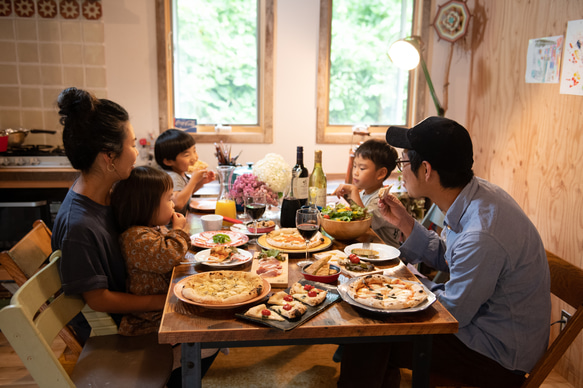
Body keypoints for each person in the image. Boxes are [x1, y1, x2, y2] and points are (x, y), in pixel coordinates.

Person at [337, 117, 551, 388]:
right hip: (478, 327)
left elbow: (451, 315)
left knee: (372, 331)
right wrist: (406, 223)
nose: (400, 172)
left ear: (426, 170)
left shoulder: (482, 233)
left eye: (403, 163)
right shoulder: (472, 194)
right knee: (373, 320)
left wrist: (398, 288)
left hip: (496, 355)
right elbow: (451, 258)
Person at [51, 87, 165, 342]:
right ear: (109, 157)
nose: (136, 153)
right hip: (118, 332)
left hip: (134, 313)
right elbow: (99, 300)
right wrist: (164, 301)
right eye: (133, 145)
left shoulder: (106, 195)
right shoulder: (79, 226)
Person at [110, 166, 219, 379]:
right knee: (211, 332)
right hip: (150, 322)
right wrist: (180, 230)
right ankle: (176, 377)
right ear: (146, 205)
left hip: (161, 311)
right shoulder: (136, 237)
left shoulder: (150, 228)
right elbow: (169, 256)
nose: (173, 203)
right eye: (169, 199)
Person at [332, 139, 401, 247]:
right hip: (367, 248)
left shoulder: (383, 200)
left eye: (362, 168)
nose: (355, 172)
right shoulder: (363, 193)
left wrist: (353, 190)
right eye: (354, 166)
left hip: (386, 256)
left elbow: (362, 224)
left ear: (381, 173)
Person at [155, 128, 215, 215]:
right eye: (186, 155)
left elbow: (184, 194)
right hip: (174, 225)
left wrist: (200, 183)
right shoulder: (172, 177)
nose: (194, 158)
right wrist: (193, 181)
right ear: (168, 161)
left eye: (194, 151)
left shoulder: (180, 173)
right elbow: (177, 203)